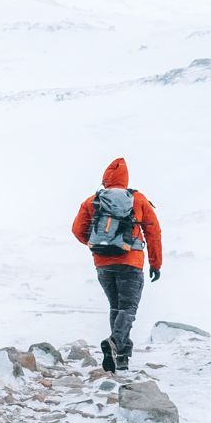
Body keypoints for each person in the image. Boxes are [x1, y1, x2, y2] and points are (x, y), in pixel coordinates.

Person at [71, 157, 163, 372]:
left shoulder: (92, 201)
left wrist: (98, 245)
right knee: (128, 308)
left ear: (106, 179)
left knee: (116, 307)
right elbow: (153, 233)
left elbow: (77, 230)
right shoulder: (137, 199)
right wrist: (155, 264)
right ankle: (114, 343)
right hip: (130, 262)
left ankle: (121, 358)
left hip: (103, 264)